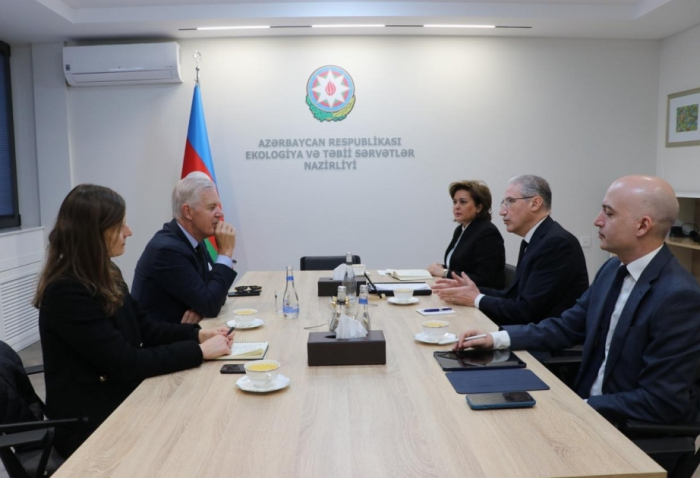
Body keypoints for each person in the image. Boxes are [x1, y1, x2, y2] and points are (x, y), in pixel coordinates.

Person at [454, 175, 700, 425]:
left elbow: (660, 401)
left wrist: (574, 407)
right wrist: (496, 338)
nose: (597, 221)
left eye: (609, 213)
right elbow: (565, 327)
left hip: (625, 428)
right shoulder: (612, 269)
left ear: (642, 225)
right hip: (586, 409)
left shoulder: (678, 296)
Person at [34, 184, 234, 458]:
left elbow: (146, 328)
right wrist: (198, 352)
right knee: (197, 431)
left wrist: (198, 335)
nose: (128, 231)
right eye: (120, 225)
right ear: (94, 233)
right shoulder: (67, 290)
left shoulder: (106, 271)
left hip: (118, 399)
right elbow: (127, 363)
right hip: (91, 424)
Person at [433, 175, 588, 326]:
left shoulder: (557, 244)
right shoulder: (534, 240)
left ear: (535, 203)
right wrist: (469, 290)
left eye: (510, 202)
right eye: (503, 203)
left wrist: (476, 298)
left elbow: (525, 310)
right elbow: (512, 296)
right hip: (529, 329)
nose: (502, 211)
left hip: (545, 343)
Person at [132, 173, 237, 324]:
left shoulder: (195, 240)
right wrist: (225, 253)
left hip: (182, 336)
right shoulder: (167, 250)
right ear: (188, 212)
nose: (220, 214)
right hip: (160, 342)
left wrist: (201, 307)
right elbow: (212, 303)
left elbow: (215, 294)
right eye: (212, 207)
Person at [426, 180, 505, 289]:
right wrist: (441, 268)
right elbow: (463, 267)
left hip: (480, 299)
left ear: (479, 207)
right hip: (459, 292)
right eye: (455, 202)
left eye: (463, 202)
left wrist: (445, 272)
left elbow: (484, 278)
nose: (456, 207)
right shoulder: (461, 229)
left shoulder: (488, 233)